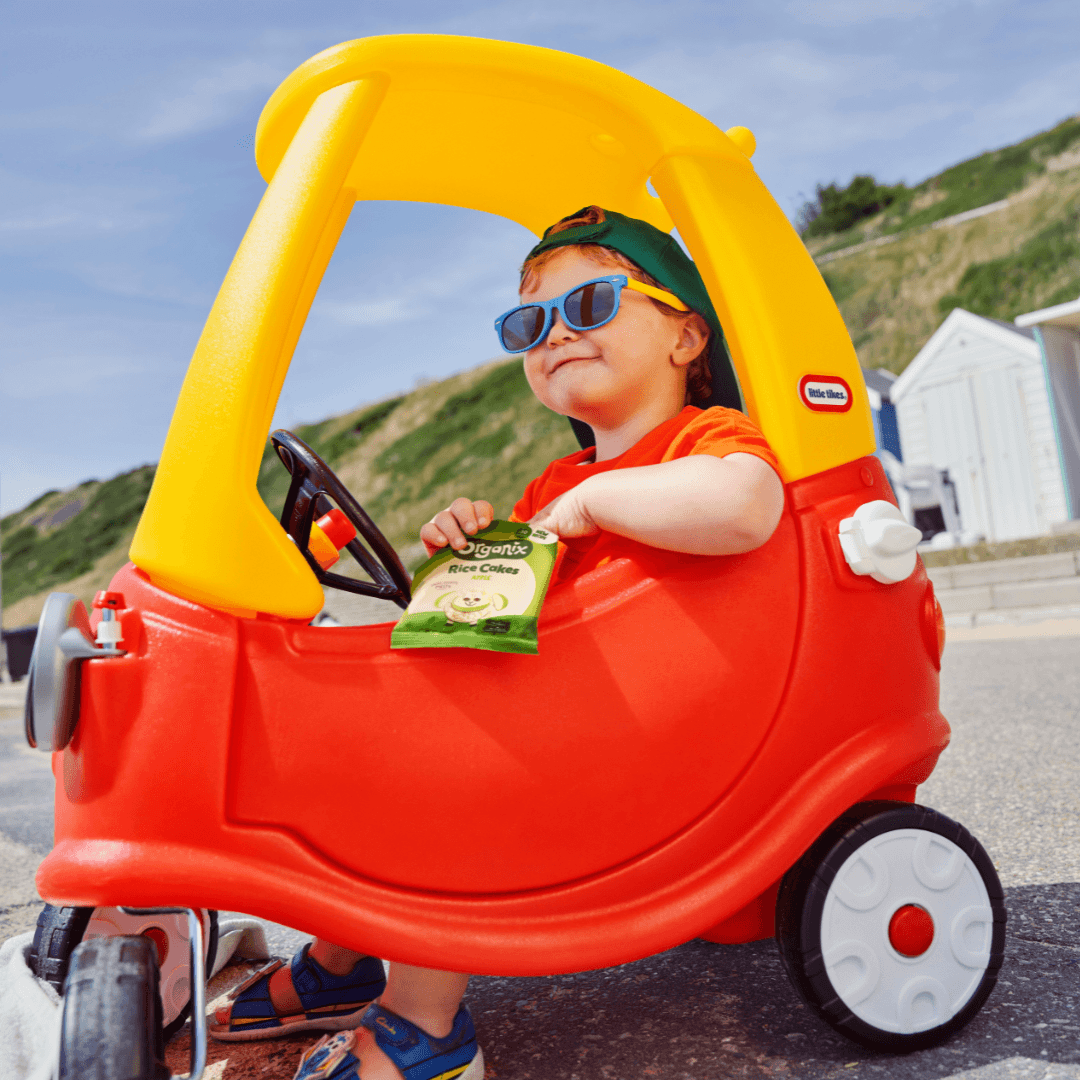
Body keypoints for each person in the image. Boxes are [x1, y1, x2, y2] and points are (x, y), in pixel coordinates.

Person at [213, 205, 785, 1080]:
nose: (554, 334)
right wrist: (477, 543)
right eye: (529, 324)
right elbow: (522, 600)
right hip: (575, 707)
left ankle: (425, 1032)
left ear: (685, 336)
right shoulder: (556, 480)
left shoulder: (706, 441)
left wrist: (596, 506)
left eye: (588, 306)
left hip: (653, 731)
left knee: (433, 763)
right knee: (361, 738)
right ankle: (347, 955)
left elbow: (745, 508)